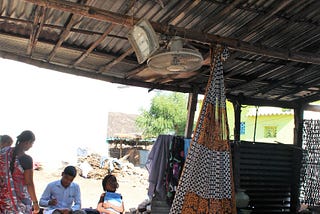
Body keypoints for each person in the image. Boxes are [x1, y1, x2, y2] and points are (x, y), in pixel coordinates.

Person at [0, 130, 40, 213]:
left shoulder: (3, 153)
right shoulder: (27, 159)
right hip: (21, 202)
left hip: (4, 201)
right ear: (28, 142)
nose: (31, 146)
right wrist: (35, 203)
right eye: (32, 144)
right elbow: (29, 183)